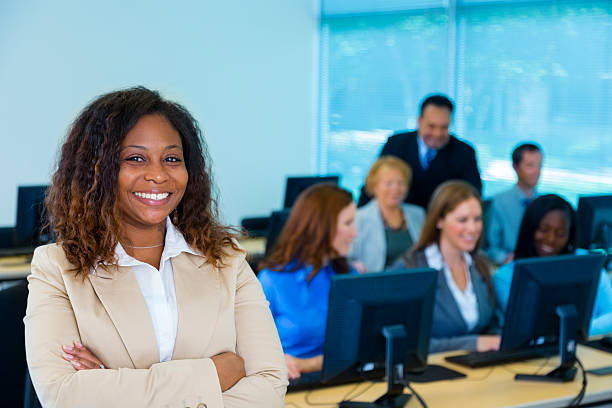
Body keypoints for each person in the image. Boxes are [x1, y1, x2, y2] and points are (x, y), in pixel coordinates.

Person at [24, 87, 287, 408]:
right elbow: (64, 395)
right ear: (98, 169)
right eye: (135, 158)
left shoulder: (227, 260)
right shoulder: (56, 267)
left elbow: (270, 386)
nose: (158, 175)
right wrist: (216, 373)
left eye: (171, 159)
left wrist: (114, 382)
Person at [258, 183, 357, 380]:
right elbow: (246, 352)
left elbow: (359, 347)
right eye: (348, 223)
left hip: (341, 380)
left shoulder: (348, 274)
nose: (355, 233)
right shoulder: (272, 281)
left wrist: (307, 364)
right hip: (290, 384)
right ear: (321, 226)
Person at [394, 181, 501, 353]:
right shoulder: (410, 269)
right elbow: (407, 344)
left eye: (477, 219)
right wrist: (473, 343)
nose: (472, 228)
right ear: (439, 221)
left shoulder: (480, 264)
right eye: (462, 220)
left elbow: (490, 325)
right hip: (433, 374)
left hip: (478, 371)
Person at [492, 194, 612, 336]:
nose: (551, 239)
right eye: (543, 230)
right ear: (530, 228)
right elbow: (528, 327)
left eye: (561, 234)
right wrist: (577, 330)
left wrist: (574, 331)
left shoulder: (588, 263)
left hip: (588, 351)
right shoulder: (505, 277)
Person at [358, 94, 482, 209]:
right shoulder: (396, 144)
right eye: (431, 126)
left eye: (444, 127)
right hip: (398, 222)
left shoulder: (464, 153)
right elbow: (372, 185)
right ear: (419, 121)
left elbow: (472, 196)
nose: (437, 134)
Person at [349, 156, 425, 273]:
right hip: (376, 284)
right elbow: (347, 259)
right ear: (375, 186)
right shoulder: (359, 218)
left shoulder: (418, 214)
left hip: (414, 282)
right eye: (388, 183)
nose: (395, 189)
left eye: (401, 183)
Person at [486, 143, 543, 265]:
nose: (537, 171)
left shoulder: (545, 203)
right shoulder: (498, 202)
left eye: (540, 165)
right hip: (510, 265)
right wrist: (506, 258)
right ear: (515, 167)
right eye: (530, 166)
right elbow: (490, 248)